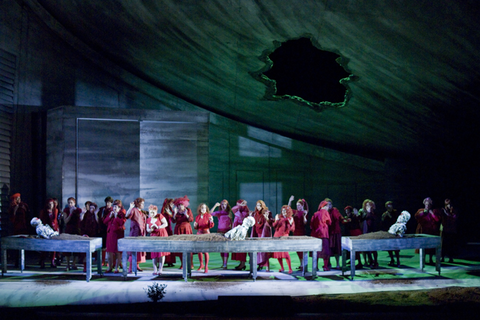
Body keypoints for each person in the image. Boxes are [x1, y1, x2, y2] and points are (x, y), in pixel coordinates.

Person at [415, 197, 441, 264]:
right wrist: (424, 212)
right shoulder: (421, 210)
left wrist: (431, 213)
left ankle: (430, 259)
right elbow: (417, 217)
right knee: (423, 246)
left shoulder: (434, 211)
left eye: (429, 204)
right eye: (426, 204)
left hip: (431, 231)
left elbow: (437, 219)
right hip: (423, 231)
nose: (427, 206)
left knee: (431, 247)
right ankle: (423, 259)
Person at [146, 205, 170, 275]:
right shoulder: (149, 219)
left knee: (161, 253)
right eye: (151, 212)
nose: (152, 214)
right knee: (154, 253)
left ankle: (160, 269)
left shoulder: (160, 216)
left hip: (161, 235)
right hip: (153, 236)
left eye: (153, 212)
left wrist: (158, 226)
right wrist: (151, 229)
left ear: (156, 212)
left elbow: (166, 224)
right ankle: (155, 269)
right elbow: (147, 229)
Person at [103, 199, 126, 273]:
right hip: (110, 234)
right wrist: (110, 216)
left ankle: (117, 267)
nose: (115, 208)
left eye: (116, 207)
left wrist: (116, 217)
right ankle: (110, 267)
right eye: (114, 206)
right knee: (109, 251)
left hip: (117, 235)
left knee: (117, 252)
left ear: (119, 208)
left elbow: (122, 223)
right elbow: (104, 221)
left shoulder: (121, 214)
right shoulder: (110, 213)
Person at [250, 200, 273, 271]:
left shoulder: (267, 212)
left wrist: (267, 218)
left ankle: (267, 267)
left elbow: (271, 222)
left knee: (264, 250)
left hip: (264, 234)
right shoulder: (255, 214)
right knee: (257, 250)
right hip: (256, 233)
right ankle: (259, 265)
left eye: (260, 205)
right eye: (257, 205)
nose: (258, 207)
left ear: (262, 206)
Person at [172, 195, 194, 270]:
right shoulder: (176, 212)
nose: (180, 206)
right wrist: (174, 213)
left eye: (181, 205)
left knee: (188, 247)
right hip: (178, 230)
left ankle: (190, 263)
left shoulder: (188, 210)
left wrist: (186, 214)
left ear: (184, 204)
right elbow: (173, 221)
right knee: (180, 247)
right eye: (178, 205)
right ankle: (182, 264)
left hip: (186, 229)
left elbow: (191, 219)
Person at [126, 197, 147, 273]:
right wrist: (130, 208)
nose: (143, 205)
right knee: (133, 250)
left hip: (141, 233)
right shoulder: (134, 210)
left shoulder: (142, 212)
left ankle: (137, 265)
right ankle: (130, 268)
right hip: (135, 233)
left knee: (139, 251)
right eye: (142, 203)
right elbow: (127, 216)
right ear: (138, 204)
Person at [272, 205, 295, 274]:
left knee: (285, 253)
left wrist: (290, 223)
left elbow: (292, 229)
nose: (283, 212)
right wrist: (276, 220)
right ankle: (282, 267)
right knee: (278, 253)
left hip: (284, 236)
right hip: (277, 235)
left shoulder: (290, 218)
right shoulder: (279, 217)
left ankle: (290, 268)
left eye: (285, 211)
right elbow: (274, 226)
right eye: (282, 210)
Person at [288, 196, 309, 270]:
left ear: (302, 205)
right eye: (297, 205)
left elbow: (305, 222)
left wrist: (304, 216)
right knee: (297, 249)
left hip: (301, 231)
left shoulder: (304, 212)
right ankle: (301, 264)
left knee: (302, 248)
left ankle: (303, 264)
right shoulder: (295, 212)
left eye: (299, 205)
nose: (298, 207)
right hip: (296, 232)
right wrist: (290, 201)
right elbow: (288, 209)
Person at [210, 200, 233, 269]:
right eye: (222, 204)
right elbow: (210, 213)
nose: (223, 206)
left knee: (226, 248)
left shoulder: (229, 213)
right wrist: (215, 205)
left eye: (225, 204)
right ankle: (223, 263)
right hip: (220, 231)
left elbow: (231, 223)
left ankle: (225, 263)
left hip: (227, 231)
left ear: (227, 205)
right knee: (221, 248)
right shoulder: (219, 213)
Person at [310, 200, 332, 271]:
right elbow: (329, 222)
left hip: (316, 235)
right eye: (327, 206)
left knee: (316, 251)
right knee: (325, 251)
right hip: (324, 234)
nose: (328, 207)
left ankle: (315, 267)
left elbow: (311, 225)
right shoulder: (326, 212)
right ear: (324, 206)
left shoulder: (315, 213)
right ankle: (325, 267)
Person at [62, 197, 82, 270]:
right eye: (69, 203)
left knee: (76, 247)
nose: (70, 204)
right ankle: (67, 264)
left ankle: (74, 263)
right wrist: (70, 213)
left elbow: (81, 219)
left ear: (74, 203)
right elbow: (65, 221)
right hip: (69, 230)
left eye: (72, 203)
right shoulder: (66, 210)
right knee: (67, 248)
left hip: (76, 230)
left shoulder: (78, 210)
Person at [194, 203, 214, 273]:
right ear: (200, 209)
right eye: (202, 208)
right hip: (199, 233)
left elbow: (211, 225)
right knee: (199, 250)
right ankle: (201, 264)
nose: (203, 209)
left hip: (206, 233)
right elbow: (196, 227)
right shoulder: (198, 217)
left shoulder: (208, 215)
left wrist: (211, 221)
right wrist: (195, 225)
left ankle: (206, 266)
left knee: (205, 251)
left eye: (205, 208)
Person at [39, 198, 59, 268]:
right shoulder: (43, 212)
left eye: (52, 204)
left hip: (54, 230)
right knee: (44, 246)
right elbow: (42, 221)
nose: (51, 205)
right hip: (46, 230)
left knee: (53, 247)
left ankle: (52, 261)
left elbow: (55, 220)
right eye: (49, 204)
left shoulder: (55, 211)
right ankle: (42, 261)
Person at [231, 199, 250, 270]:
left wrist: (242, 205)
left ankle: (243, 264)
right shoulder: (237, 210)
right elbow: (233, 209)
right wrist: (240, 205)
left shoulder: (245, 212)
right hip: (237, 232)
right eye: (237, 204)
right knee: (238, 248)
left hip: (242, 232)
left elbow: (243, 220)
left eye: (239, 204)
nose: (238, 206)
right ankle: (241, 263)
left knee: (242, 248)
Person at [324, 198, 343, 269]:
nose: (329, 206)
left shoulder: (335, 210)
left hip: (335, 233)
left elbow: (339, 217)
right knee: (328, 249)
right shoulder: (324, 211)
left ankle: (338, 264)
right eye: (327, 204)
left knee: (336, 249)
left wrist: (344, 219)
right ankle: (328, 264)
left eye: (330, 204)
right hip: (328, 233)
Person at [359, 199, 378, 268]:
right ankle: (370, 261)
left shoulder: (373, 212)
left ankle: (375, 262)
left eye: (369, 205)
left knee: (374, 248)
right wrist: (367, 212)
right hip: (365, 232)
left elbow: (375, 219)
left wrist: (370, 212)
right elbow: (362, 218)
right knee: (367, 248)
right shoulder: (363, 212)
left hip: (372, 231)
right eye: (366, 205)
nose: (368, 206)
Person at [381, 201, 400, 266]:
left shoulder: (395, 212)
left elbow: (396, 221)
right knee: (389, 247)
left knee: (396, 248)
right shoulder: (385, 213)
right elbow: (383, 223)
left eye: (390, 205)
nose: (389, 207)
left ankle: (398, 261)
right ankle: (392, 259)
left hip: (394, 231)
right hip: (388, 232)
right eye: (388, 206)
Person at [97, 196, 114, 267]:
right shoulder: (102, 209)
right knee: (103, 246)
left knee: (109, 246)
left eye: (109, 202)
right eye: (107, 202)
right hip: (102, 229)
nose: (108, 204)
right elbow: (99, 218)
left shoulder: (113, 210)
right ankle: (103, 260)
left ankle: (109, 261)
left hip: (110, 229)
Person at [441, 198, 458, 263]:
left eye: (450, 204)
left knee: (451, 244)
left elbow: (454, 218)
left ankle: (451, 258)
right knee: (443, 244)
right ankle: (442, 257)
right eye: (447, 204)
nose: (449, 206)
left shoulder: (454, 211)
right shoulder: (443, 210)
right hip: (445, 230)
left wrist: (448, 212)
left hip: (452, 230)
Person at [160, 198, 176, 267]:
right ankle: (162, 261)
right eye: (171, 203)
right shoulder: (163, 210)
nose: (172, 205)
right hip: (164, 229)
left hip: (169, 229)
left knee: (170, 245)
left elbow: (173, 220)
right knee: (163, 245)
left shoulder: (171, 211)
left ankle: (170, 261)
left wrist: (173, 213)